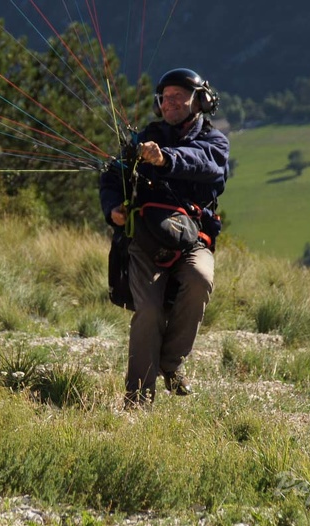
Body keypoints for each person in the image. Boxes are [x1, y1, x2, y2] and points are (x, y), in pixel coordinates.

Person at [99, 68, 230, 407]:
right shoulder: (144, 139)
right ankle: (138, 402)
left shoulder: (215, 141)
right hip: (145, 239)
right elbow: (111, 178)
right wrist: (113, 207)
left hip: (193, 238)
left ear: (199, 101)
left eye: (179, 96)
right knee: (150, 311)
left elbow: (208, 165)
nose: (170, 102)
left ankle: (170, 363)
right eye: (165, 97)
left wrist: (165, 158)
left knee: (200, 277)